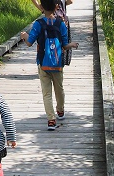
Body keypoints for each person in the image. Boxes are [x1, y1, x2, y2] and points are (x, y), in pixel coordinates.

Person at [20, 0, 79, 130]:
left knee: (46, 93)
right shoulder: (61, 24)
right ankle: (60, 110)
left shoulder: (38, 24)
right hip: (58, 64)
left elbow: (29, 43)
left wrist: (24, 36)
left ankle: (51, 120)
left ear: (41, 6)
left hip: (43, 64)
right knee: (59, 89)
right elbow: (64, 45)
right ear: (57, 6)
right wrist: (72, 45)